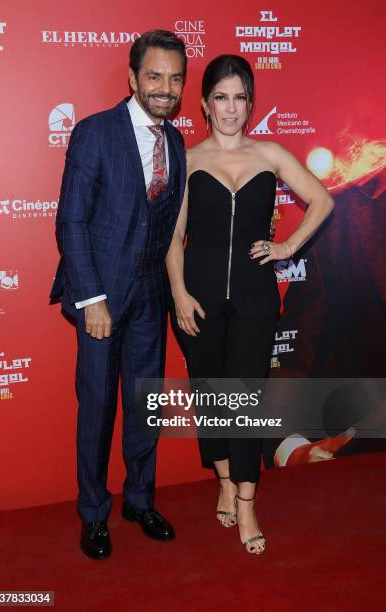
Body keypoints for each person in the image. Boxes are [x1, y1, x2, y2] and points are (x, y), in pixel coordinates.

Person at [166, 55, 334, 555]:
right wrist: (177, 293)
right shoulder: (189, 159)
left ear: (250, 103)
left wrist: (286, 248)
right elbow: (173, 237)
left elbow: (322, 201)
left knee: (244, 401)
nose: (231, 108)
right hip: (197, 296)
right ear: (204, 103)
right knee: (213, 398)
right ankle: (222, 479)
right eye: (221, 97)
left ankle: (245, 500)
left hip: (257, 299)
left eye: (240, 97)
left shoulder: (271, 152)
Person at [50, 30, 187, 559]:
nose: (165, 88)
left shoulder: (174, 141)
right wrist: (92, 299)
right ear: (132, 78)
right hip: (102, 302)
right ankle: (93, 512)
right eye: (155, 76)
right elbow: (72, 220)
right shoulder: (95, 132)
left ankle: (138, 499)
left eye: (175, 79)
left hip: (151, 299)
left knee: (143, 408)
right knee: (99, 408)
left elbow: (168, 225)